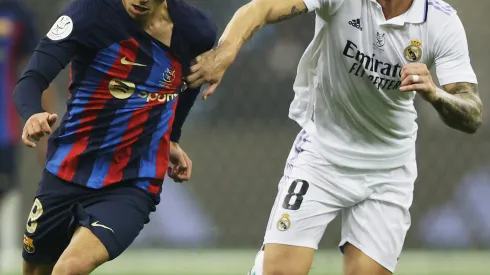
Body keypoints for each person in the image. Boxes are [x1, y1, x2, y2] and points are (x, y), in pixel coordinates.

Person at [185, 0, 483, 274]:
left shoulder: (441, 22)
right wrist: (225, 51)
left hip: (388, 170)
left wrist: (435, 93)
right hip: (321, 155)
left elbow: (471, 113)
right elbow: (261, 8)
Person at [13, 0, 216, 274]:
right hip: (67, 171)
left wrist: (172, 137)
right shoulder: (87, 14)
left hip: (134, 180)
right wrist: (32, 113)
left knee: (69, 268)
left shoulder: (196, 30)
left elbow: (189, 81)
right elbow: (32, 77)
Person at [0, 0, 57, 269]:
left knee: (6, 188)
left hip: (3, 124)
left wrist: (45, 126)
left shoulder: (17, 14)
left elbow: (36, 71)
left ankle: (7, 252)